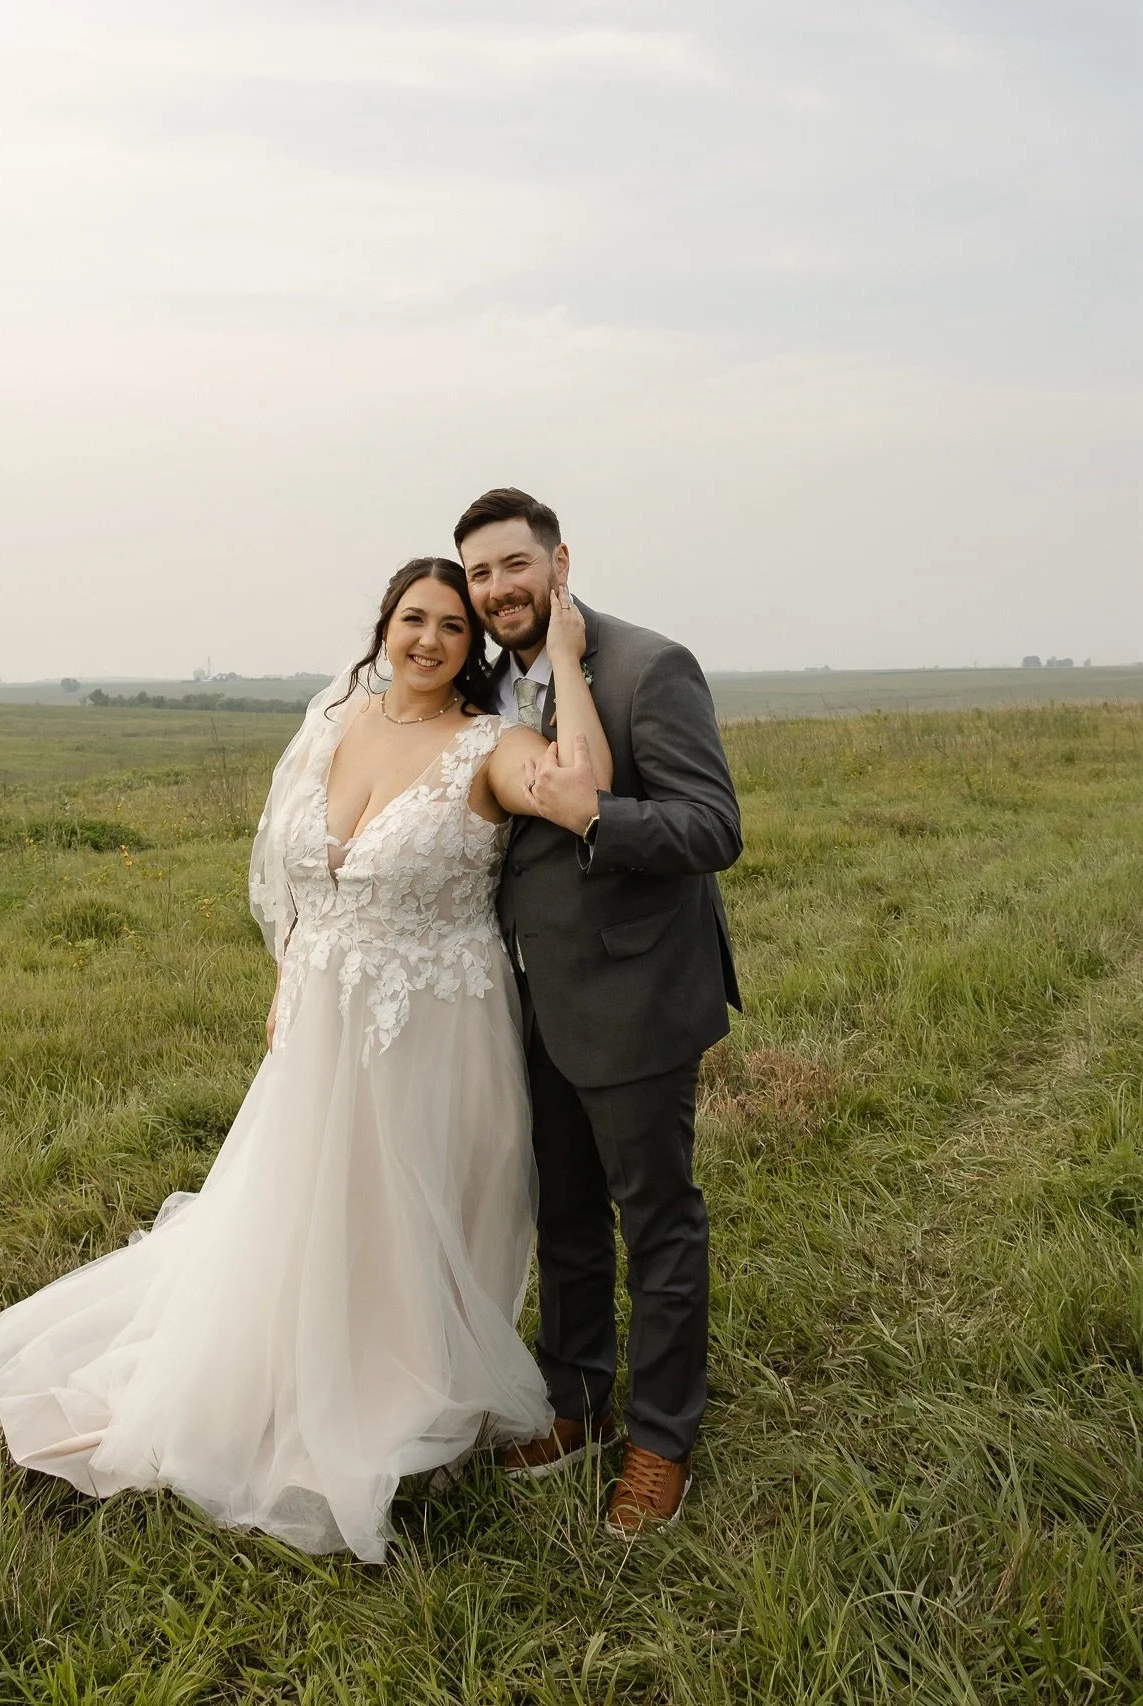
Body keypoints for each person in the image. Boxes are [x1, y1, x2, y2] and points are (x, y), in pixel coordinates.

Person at [0, 556, 613, 1564]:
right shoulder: (334, 723)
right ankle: (280, 1371)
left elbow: (583, 795)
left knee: (402, 1211)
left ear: (474, 648)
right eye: (414, 617)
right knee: (304, 1205)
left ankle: (385, 1388)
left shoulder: (490, 746)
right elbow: (294, 868)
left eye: (454, 625)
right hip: (320, 1017)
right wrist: (290, 970)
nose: (431, 638)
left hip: (432, 1024)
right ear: (385, 624)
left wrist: (566, 659)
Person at [455, 488, 743, 1537]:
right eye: (480, 574)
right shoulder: (481, 685)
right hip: (522, 1003)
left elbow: (713, 826)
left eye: (512, 565)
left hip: (631, 998)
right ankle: (575, 1401)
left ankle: (661, 1441)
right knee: (565, 1216)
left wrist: (599, 818)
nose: (497, 590)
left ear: (559, 560)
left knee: (657, 1222)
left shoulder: (647, 665)